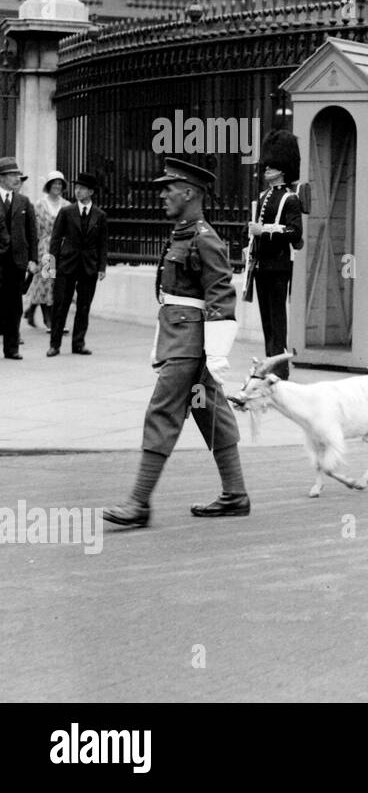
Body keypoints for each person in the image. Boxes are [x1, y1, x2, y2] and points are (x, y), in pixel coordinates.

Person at [102, 160, 248, 528]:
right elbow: (171, 295)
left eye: (170, 187)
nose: (163, 193)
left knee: (162, 411)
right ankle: (235, 494)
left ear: (190, 193)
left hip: (189, 342)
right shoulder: (182, 233)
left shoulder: (204, 238)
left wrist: (216, 354)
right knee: (207, 410)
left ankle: (138, 502)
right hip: (179, 335)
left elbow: (221, 295)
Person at [249, 130, 304, 380]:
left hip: (279, 265)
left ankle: (280, 367)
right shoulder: (263, 196)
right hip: (262, 265)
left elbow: (294, 232)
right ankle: (270, 362)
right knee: (267, 319)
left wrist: (265, 231)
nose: (266, 171)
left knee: (277, 319)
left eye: (271, 167)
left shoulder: (290, 199)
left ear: (282, 169)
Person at [47, 172, 107, 356]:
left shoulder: (100, 215)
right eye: (77, 187)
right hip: (66, 264)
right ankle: (54, 344)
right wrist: (50, 266)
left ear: (91, 192)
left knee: (84, 306)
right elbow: (55, 240)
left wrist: (102, 267)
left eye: (82, 188)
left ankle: (78, 343)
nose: (78, 191)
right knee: (60, 305)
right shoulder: (66, 212)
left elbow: (103, 243)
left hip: (88, 266)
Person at [0, 157, 39, 360]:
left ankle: (12, 348)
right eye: (13, 175)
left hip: (17, 262)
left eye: (17, 175)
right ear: (2, 177)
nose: (17, 178)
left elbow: (32, 233)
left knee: (14, 305)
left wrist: (34, 259)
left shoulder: (24, 202)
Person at [25, 170, 70, 333]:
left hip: (63, 249)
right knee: (47, 281)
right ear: (49, 186)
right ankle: (49, 319)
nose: (57, 187)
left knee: (59, 283)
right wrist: (33, 253)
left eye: (60, 184)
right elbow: (34, 230)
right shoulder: (39, 205)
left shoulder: (66, 205)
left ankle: (32, 310)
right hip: (46, 249)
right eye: (54, 184)